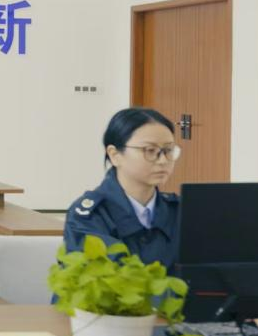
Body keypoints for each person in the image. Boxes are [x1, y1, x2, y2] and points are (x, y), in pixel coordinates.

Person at [63, 107, 182, 270]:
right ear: (115, 155)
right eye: (150, 150)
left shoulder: (181, 210)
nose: (163, 160)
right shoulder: (89, 215)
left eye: (168, 150)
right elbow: (110, 277)